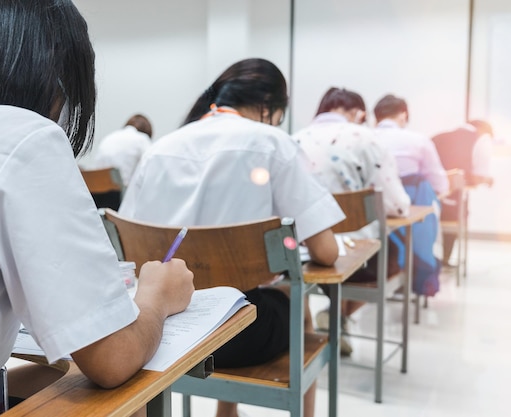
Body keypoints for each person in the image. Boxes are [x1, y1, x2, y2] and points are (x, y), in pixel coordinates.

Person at [0, 2, 194, 417]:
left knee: (47, 377)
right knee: (129, 399)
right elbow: (113, 357)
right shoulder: (19, 136)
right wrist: (157, 296)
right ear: (53, 74)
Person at [119, 58, 346, 417]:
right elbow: (327, 251)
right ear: (267, 107)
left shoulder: (160, 148)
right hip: (242, 333)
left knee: (240, 292)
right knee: (293, 300)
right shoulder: (272, 143)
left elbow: (129, 249)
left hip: (162, 327)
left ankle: (227, 412)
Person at [292, 87, 411, 356]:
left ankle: (336, 315)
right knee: (397, 255)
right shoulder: (366, 138)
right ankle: (340, 315)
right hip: (355, 254)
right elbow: (394, 204)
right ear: (358, 113)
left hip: (301, 251)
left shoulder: (294, 139)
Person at [431, 120, 495, 265]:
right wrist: (487, 181)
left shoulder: (438, 137)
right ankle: (446, 259)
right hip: (452, 200)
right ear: (482, 129)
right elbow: (474, 177)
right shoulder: (478, 140)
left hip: (428, 198)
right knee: (457, 218)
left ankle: (430, 260)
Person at [373, 94, 449, 196]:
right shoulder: (418, 140)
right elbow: (439, 184)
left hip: (368, 206)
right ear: (403, 115)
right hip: (410, 206)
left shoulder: (363, 140)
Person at [90, 113, 153, 186]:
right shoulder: (142, 138)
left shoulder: (109, 137)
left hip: (96, 189)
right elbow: (152, 168)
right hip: (121, 191)